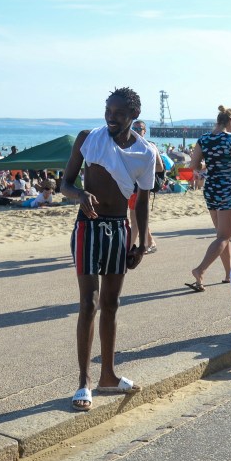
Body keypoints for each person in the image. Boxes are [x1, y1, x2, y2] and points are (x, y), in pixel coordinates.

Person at [60, 87, 157, 410]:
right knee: (88, 304)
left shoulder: (146, 153)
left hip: (119, 230)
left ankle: (108, 376)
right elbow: (66, 183)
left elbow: (142, 201)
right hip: (87, 228)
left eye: (118, 113)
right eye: (108, 110)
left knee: (111, 304)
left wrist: (141, 242)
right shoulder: (89, 138)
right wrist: (80, 195)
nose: (111, 117)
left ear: (134, 116)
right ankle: (83, 382)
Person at [186, 105, 231, 291]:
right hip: (228, 188)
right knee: (224, 236)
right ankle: (200, 270)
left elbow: (194, 165)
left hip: (211, 188)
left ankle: (229, 274)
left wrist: (211, 163)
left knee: (222, 235)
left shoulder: (203, 139)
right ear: (230, 122)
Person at [128, 120, 165, 253]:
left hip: (142, 188)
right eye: (134, 128)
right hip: (129, 187)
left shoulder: (150, 146)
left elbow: (160, 167)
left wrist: (142, 170)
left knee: (135, 220)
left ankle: (128, 249)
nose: (136, 131)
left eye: (140, 129)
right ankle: (150, 242)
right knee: (139, 218)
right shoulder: (128, 145)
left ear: (145, 131)